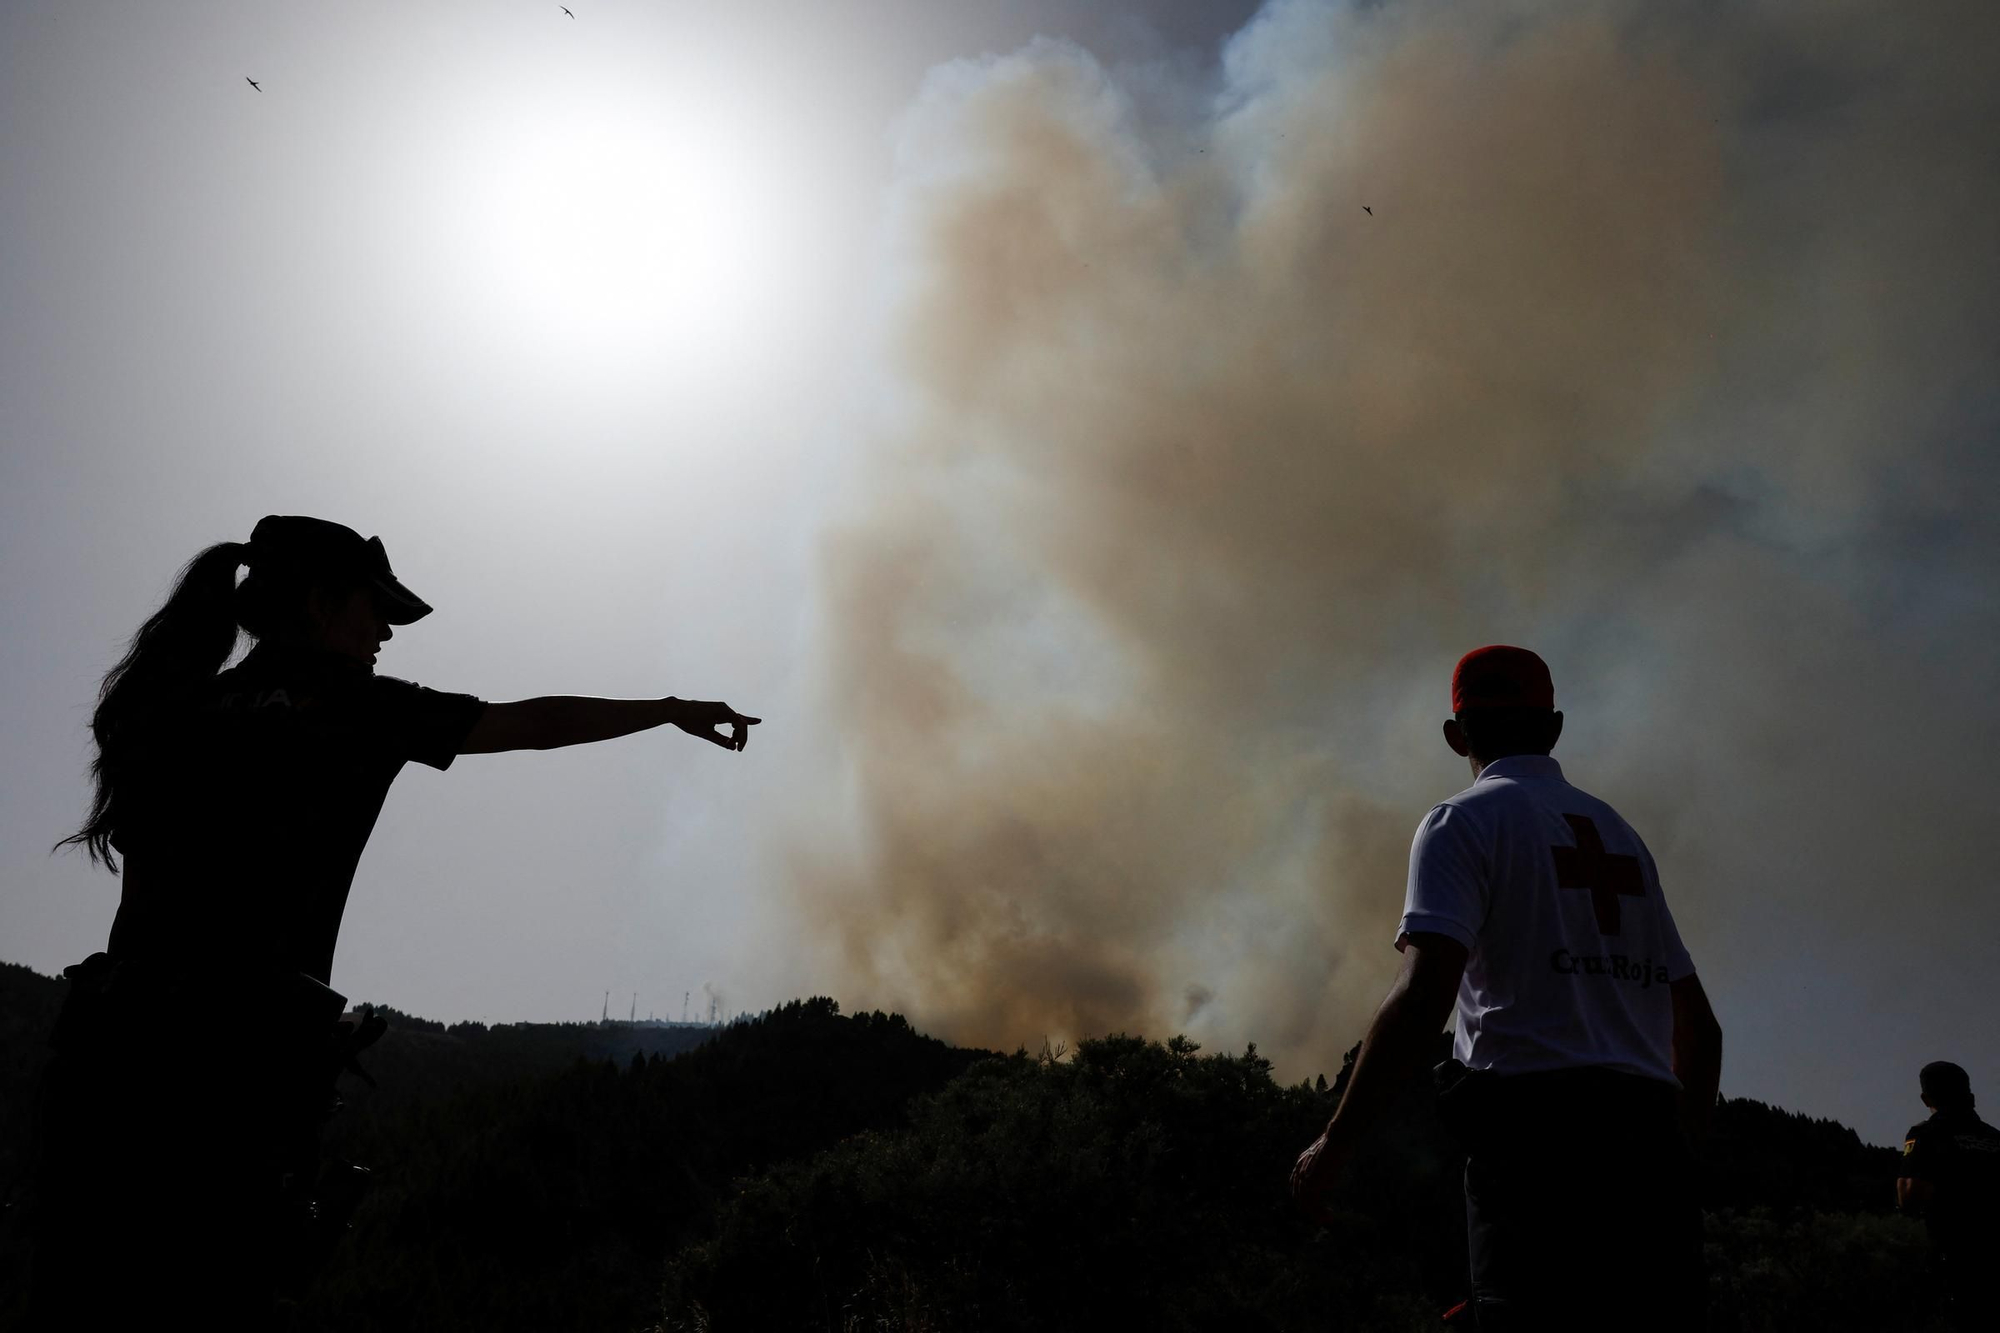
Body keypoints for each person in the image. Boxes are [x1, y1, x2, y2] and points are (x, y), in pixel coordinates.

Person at [28, 515, 759, 1329]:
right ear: (317, 603)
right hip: (233, 1085)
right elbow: (533, 723)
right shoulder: (351, 705)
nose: (384, 631)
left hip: (104, 1064)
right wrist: (665, 709)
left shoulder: (178, 708)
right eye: (372, 609)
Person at [1289, 645, 1723, 1331]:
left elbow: (1424, 996)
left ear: (1456, 734)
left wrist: (1335, 1142)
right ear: (1553, 728)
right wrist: (1678, 1168)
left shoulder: (1462, 821)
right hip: (1651, 1159)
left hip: (1533, 1154)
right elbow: (1699, 1030)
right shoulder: (1622, 839)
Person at [1897, 1061, 2000, 1327]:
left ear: (1926, 1098)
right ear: (1970, 1095)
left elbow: (1910, 1195)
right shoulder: (1995, 1138)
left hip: (1954, 1260)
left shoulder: (1926, 1133)